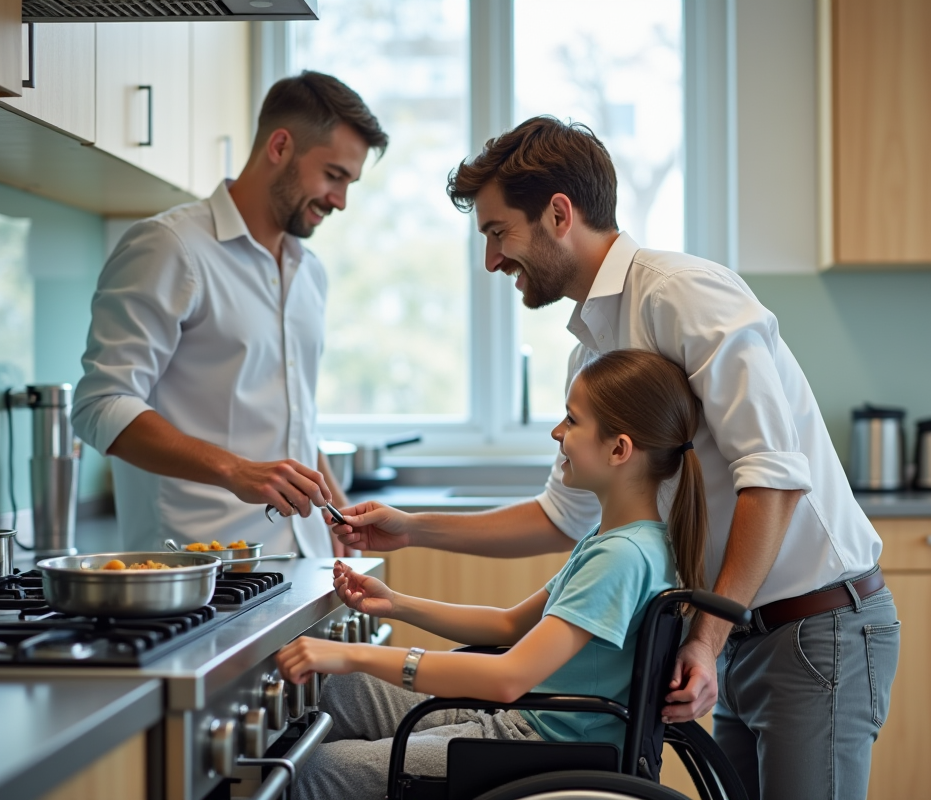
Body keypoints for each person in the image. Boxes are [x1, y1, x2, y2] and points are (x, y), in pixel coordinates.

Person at [332, 117, 901, 799]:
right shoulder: (595, 351)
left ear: (558, 214)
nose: (491, 261)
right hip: (744, 628)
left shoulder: (683, 295)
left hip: (815, 626)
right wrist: (415, 527)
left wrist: (707, 638)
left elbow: (773, 476)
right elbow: (560, 518)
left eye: (496, 232)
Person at [277, 349, 708, 800]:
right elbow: (507, 624)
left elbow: (508, 677)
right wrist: (397, 603)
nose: (557, 432)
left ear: (619, 449)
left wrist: (355, 655)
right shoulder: (620, 541)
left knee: (313, 772)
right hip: (521, 720)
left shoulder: (621, 558)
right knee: (336, 690)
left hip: (534, 744)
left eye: (572, 421)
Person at [72, 72, 387, 557]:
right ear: (280, 147)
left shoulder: (309, 272)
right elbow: (101, 405)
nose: (340, 200)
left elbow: (291, 423)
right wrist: (236, 470)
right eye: (333, 175)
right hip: (198, 576)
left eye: (349, 182)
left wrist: (337, 516)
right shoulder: (170, 247)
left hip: (303, 566)